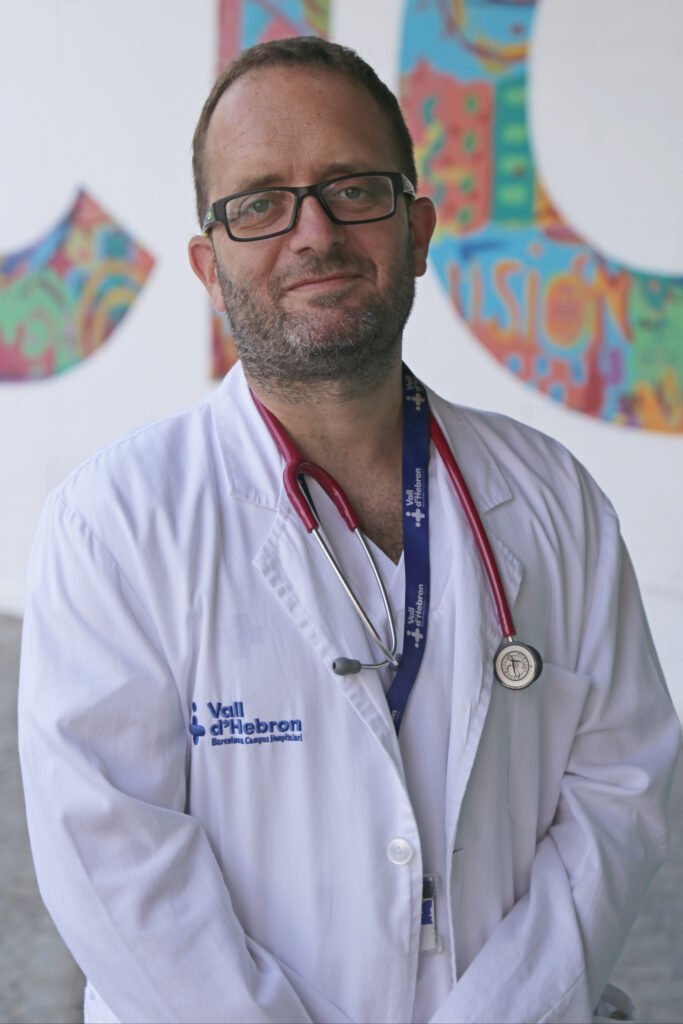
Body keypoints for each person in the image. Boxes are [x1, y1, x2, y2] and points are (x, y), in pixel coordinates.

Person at [19, 36, 680, 1024]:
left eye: (353, 189)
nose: (313, 232)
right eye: (259, 204)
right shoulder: (113, 527)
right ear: (209, 265)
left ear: (417, 230)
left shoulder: (552, 497)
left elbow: (617, 794)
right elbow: (114, 872)